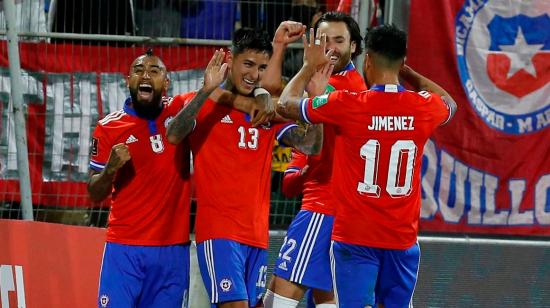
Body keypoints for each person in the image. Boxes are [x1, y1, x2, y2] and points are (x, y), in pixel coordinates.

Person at [276, 24, 457, 307]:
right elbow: (451, 103)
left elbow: (285, 103)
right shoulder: (423, 107)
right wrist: (407, 73)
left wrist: (307, 68)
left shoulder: (348, 104)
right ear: (401, 62)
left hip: (355, 238)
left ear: (368, 60)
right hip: (402, 239)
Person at [166, 28, 323, 308]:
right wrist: (206, 90)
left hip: (257, 236)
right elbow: (174, 134)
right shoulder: (200, 102)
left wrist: (318, 104)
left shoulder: (264, 110)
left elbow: (311, 146)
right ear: (231, 59)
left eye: (262, 67)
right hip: (219, 234)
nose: (254, 74)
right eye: (248, 64)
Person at [263, 11, 367, 308]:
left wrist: (308, 65)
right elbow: (273, 95)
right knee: (327, 299)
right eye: (322, 40)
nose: (330, 47)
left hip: (323, 209)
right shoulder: (326, 85)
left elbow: (280, 103)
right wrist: (279, 45)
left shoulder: (344, 88)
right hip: (340, 210)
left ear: (355, 48)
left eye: (339, 40)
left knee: (278, 297)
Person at [87, 49, 192, 308]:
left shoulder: (180, 110)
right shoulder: (108, 127)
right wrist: (110, 169)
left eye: (154, 71)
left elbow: (217, 93)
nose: (146, 75)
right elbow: (93, 192)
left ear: (166, 83)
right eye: (138, 70)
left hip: (173, 250)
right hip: (125, 249)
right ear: (127, 80)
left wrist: (259, 93)